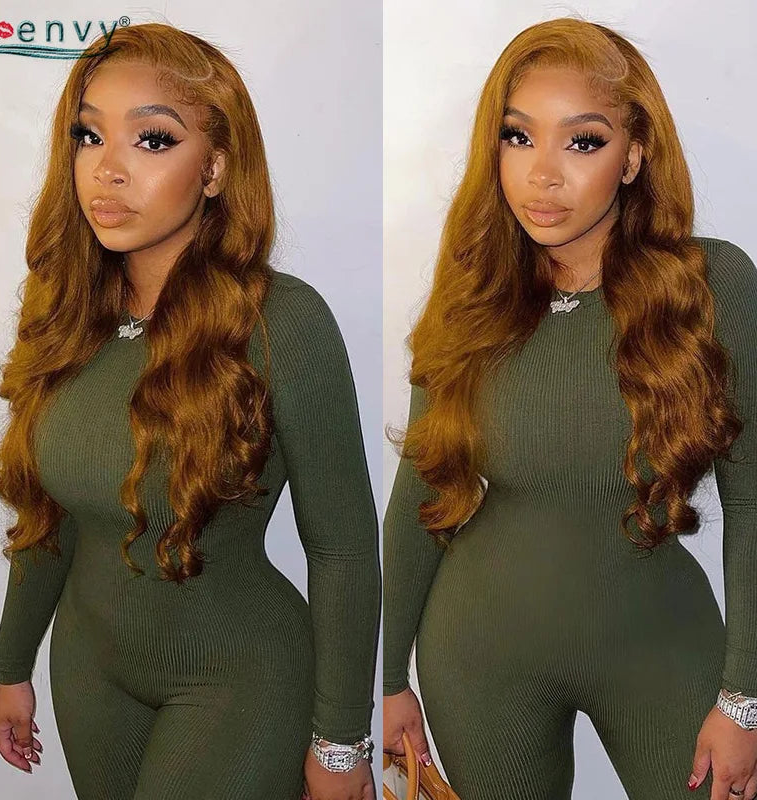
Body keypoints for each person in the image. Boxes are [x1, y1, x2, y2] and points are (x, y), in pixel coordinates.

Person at [0, 22, 380, 800]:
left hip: (239, 680)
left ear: (216, 168)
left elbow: (342, 549)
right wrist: (12, 666)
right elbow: (48, 519)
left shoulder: (283, 322)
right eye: (89, 135)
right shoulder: (66, 316)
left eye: (152, 139)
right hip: (89, 675)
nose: (108, 168)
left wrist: (339, 743)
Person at [382, 16, 757, 800]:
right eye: (518, 137)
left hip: (659, 647)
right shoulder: (471, 297)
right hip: (478, 656)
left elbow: (754, 502)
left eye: (582, 142)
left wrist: (745, 699)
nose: (543, 174)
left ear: (634, 156)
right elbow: (422, 491)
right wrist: (384, 681)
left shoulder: (711, 286)